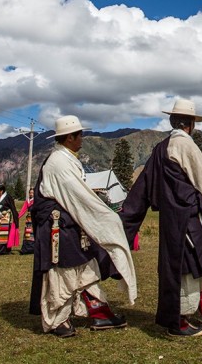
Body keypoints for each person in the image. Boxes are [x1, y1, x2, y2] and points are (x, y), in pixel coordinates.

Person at [121, 99, 202, 337]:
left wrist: (126, 222)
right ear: (190, 124)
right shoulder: (186, 146)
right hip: (187, 218)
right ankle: (178, 320)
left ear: (172, 121)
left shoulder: (160, 148)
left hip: (171, 219)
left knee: (196, 265)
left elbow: (143, 189)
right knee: (187, 268)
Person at [28, 115, 137, 338]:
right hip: (59, 228)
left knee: (86, 267)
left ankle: (100, 312)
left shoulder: (66, 158)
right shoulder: (59, 163)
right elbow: (79, 197)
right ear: (69, 138)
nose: (82, 140)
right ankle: (57, 320)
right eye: (80, 135)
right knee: (64, 272)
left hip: (70, 225)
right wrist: (107, 217)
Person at [19, 188, 35, 255]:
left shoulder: (36, 201)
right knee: (27, 234)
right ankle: (26, 248)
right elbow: (23, 210)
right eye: (30, 193)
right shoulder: (28, 201)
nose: (31, 194)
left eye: (32, 193)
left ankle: (32, 248)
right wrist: (17, 217)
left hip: (34, 220)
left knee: (32, 234)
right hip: (28, 220)